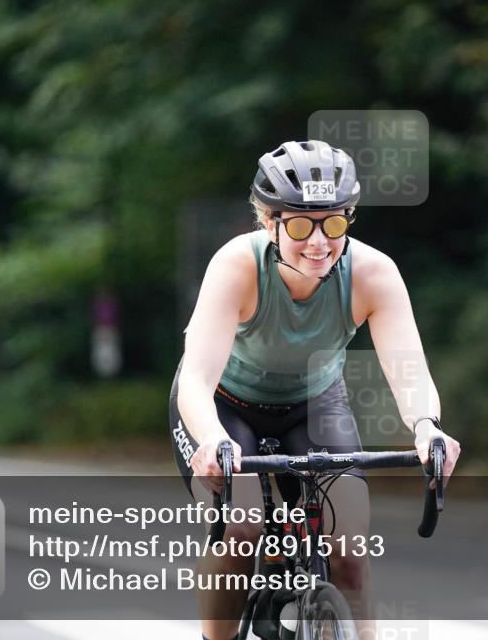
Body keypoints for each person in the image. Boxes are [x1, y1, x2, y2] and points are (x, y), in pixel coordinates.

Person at [169, 140, 461, 640]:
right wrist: (213, 442)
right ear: (268, 222)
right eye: (301, 225)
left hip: (314, 404)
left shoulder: (372, 273)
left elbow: (408, 371)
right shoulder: (237, 266)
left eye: (334, 223)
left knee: (348, 553)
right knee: (240, 532)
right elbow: (195, 380)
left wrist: (428, 428)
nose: (319, 242)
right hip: (223, 407)